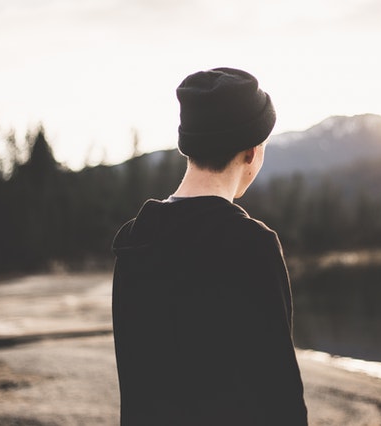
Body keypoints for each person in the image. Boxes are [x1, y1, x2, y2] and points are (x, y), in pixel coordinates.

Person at [112, 67, 308, 426]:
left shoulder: (134, 239)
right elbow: (279, 393)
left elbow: (135, 377)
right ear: (251, 152)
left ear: (189, 147)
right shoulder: (252, 245)